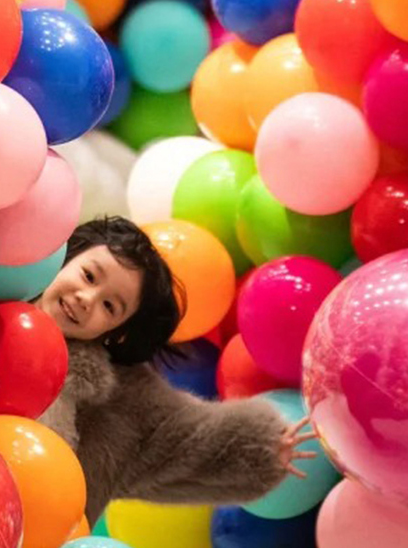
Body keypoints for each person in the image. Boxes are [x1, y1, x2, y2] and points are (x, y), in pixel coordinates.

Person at [41, 215, 315, 529]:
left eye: (110, 306)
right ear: (67, 256)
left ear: (116, 332)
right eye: (88, 276)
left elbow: (185, 439)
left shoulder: (118, 412)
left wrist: (261, 446)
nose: (86, 299)